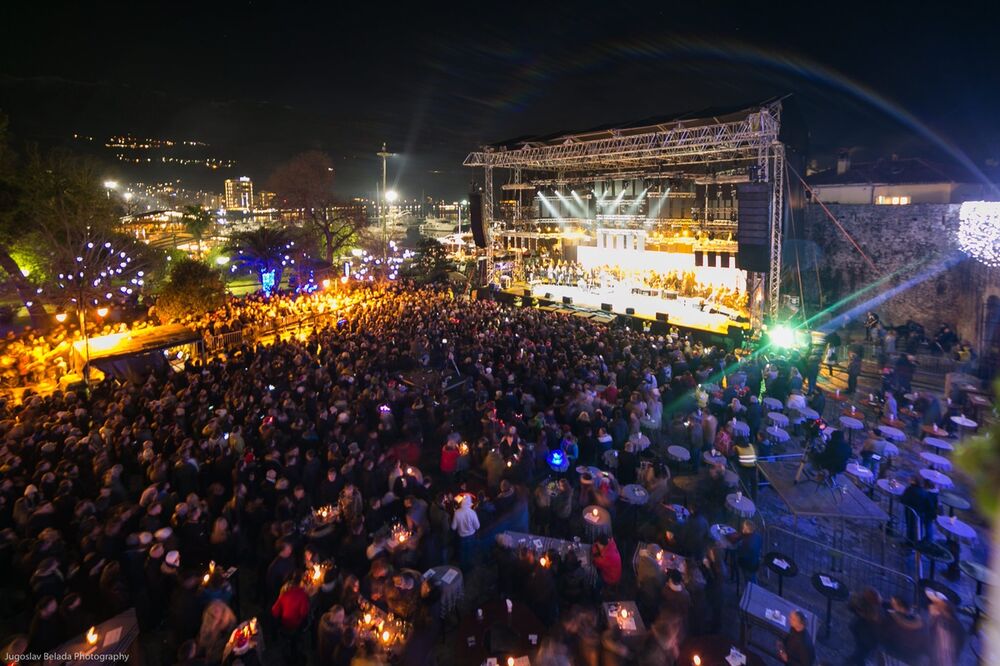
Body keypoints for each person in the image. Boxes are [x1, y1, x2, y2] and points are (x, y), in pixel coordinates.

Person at [450, 494, 479, 571]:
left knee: (462, 554)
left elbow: (453, 527)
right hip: (471, 536)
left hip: (461, 537)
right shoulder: (472, 513)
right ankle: (470, 568)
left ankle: (463, 569)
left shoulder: (457, 513)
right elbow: (477, 526)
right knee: (470, 552)